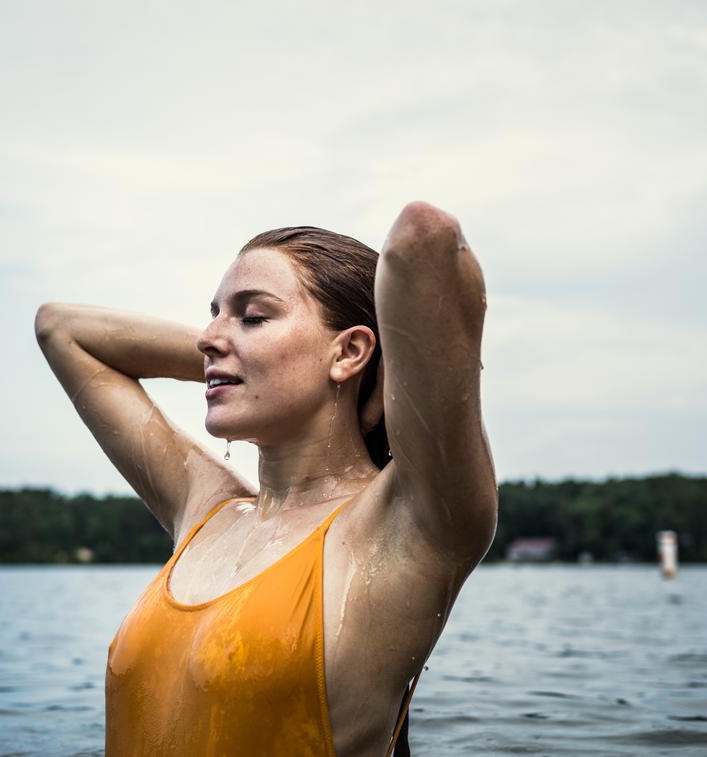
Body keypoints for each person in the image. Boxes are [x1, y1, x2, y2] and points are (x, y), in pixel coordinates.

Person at [34, 201, 497, 756]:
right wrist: (234, 357)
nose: (209, 336)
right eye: (214, 315)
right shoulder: (206, 510)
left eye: (252, 316)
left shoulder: (404, 528)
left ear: (350, 350)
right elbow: (61, 329)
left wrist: (388, 369)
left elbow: (426, 239)